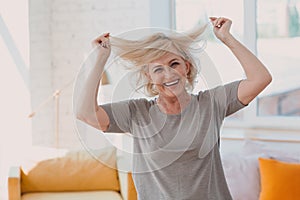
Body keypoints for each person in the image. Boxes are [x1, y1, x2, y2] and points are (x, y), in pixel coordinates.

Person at [76, 17, 272, 200]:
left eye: (174, 64)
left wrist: (227, 38)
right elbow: (85, 114)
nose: (168, 74)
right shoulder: (137, 113)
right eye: (158, 69)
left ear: (186, 67)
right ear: (149, 76)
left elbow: (260, 78)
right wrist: (100, 59)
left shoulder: (211, 104)